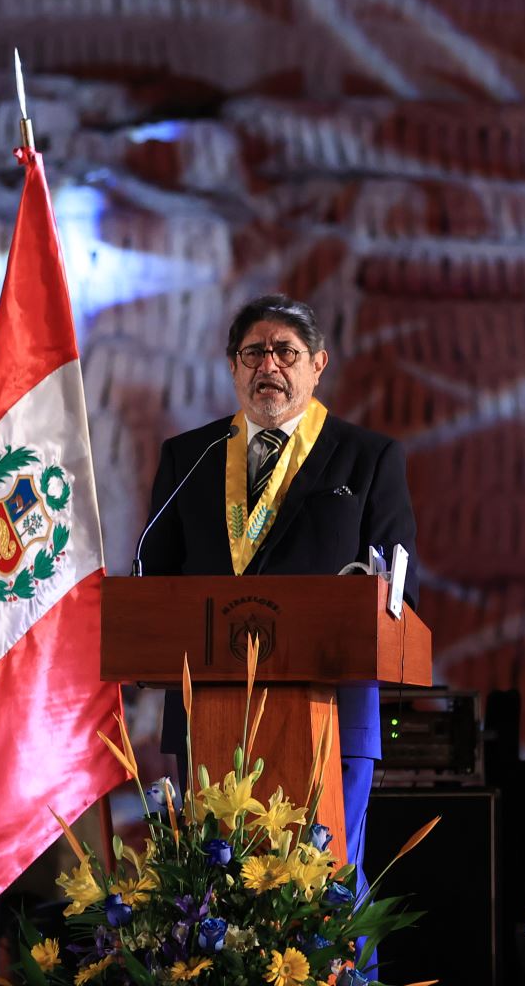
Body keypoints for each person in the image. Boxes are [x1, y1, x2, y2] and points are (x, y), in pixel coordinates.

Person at [138, 293, 418, 897]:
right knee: (215, 892)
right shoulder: (190, 457)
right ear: (233, 367)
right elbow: (152, 582)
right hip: (209, 715)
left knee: (330, 888)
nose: (269, 365)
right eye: (253, 353)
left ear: (318, 364)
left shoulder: (368, 458)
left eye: (286, 352)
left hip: (333, 715)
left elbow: (402, 596)